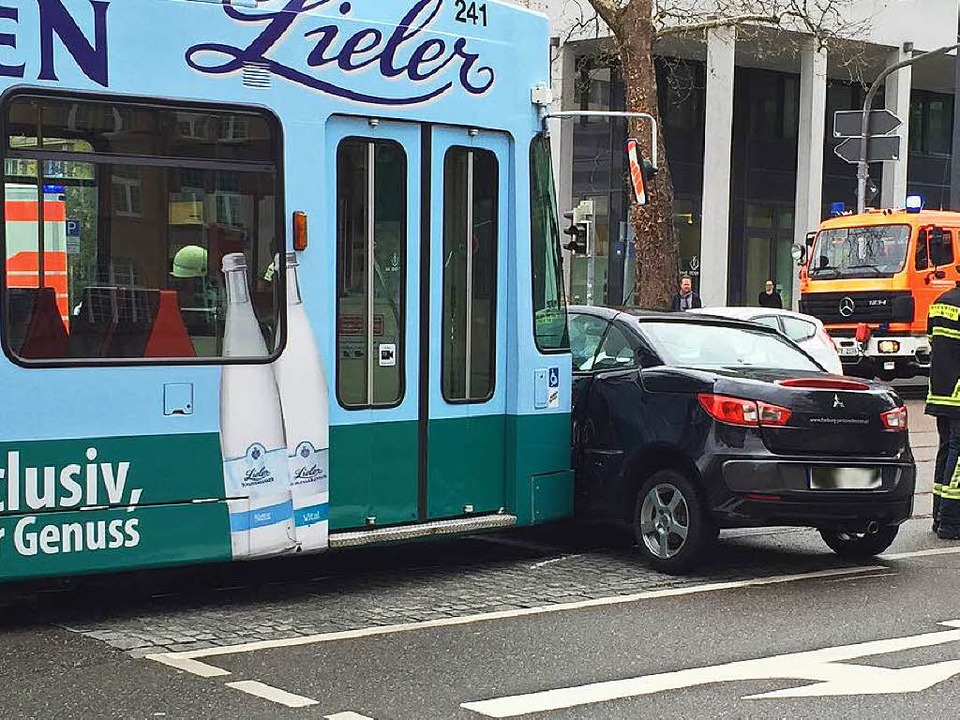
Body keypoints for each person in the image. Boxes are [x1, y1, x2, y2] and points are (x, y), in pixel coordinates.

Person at [926, 280, 960, 539]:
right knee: (957, 458)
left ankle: (937, 516)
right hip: (959, 396)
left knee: (945, 452)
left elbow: (932, 342)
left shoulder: (940, 302)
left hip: (939, 392)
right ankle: (951, 522)